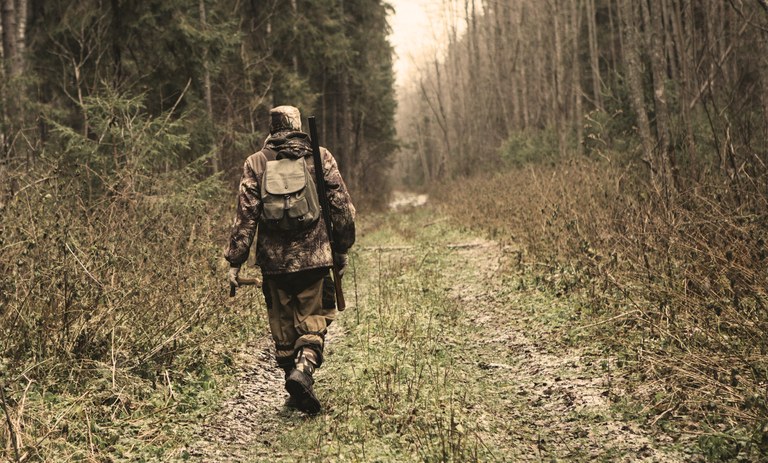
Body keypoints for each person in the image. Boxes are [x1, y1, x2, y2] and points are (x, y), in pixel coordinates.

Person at [225, 105, 355, 414]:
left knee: (282, 328)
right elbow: (342, 207)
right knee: (314, 320)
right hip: (315, 258)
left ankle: (293, 382)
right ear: (297, 126)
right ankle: (303, 372)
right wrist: (342, 247)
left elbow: (246, 218)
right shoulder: (320, 157)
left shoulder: (256, 163)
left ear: (270, 129)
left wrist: (235, 260)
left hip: (274, 264)